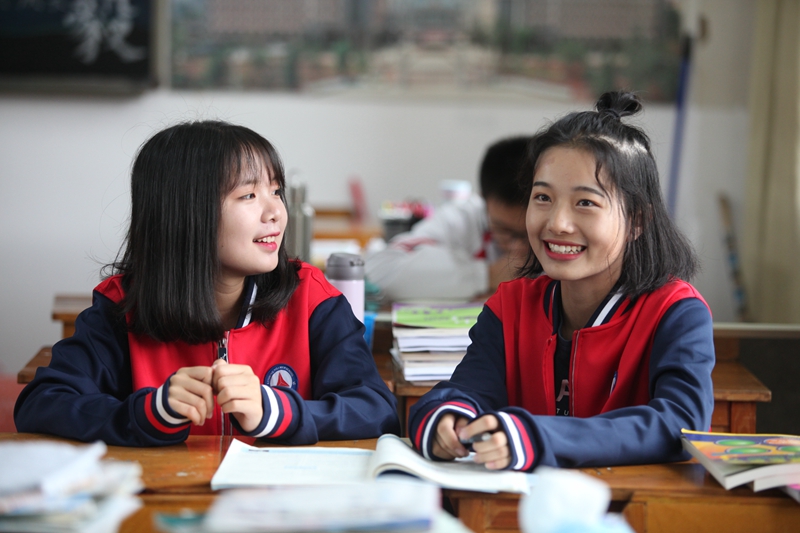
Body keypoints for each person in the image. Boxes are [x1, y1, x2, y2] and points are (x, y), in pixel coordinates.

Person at [15, 120, 400, 446]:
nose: (275, 212)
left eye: (276, 191)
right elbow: (41, 404)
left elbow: (377, 409)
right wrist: (150, 412)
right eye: (249, 195)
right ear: (186, 214)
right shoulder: (121, 307)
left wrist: (275, 411)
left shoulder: (309, 296)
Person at [408, 91, 715, 470]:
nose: (557, 223)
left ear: (637, 220)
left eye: (585, 202)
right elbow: (467, 390)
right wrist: (449, 418)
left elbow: (680, 424)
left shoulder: (676, 312)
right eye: (543, 198)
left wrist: (537, 437)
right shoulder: (511, 306)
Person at [365, 136, 531, 301]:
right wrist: (487, 275)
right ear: (483, 200)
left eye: (528, 233)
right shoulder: (461, 219)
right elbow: (377, 271)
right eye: (504, 230)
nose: (518, 248)